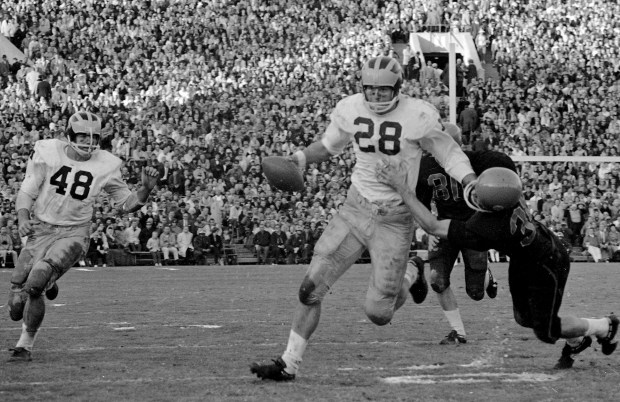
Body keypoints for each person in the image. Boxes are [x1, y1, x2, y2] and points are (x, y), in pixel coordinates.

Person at [250, 56, 476, 381]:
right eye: (369, 89)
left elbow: (448, 153)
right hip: (355, 209)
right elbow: (329, 146)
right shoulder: (351, 107)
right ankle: (289, 363)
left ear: (397, 88)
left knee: (379, 313)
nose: (376, 96)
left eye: (383, 90)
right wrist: (298, 158)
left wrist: (469, 181)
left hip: (395, 220)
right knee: (309, 289)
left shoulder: (419, 115)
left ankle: (413, 273)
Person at [375, 156, 618, 369]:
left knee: (546, 330)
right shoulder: (510, 194)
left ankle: (603, 326)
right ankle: (577, 338)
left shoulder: (487, 227)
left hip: (546, 265)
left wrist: (401, 188)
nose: (474, 194)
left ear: (493, 205)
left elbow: (432, 226)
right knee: (523, 318)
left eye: (479, 194)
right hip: (531, 254)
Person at [7, 111, 159, 362]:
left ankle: (25, 345)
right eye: (82, 136)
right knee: (15, 304)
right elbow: (26, 191)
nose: (88, 142)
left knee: (35, 286)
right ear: (69, 135)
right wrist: (23, 218)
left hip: (75, 232)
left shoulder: (107, 163)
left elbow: (125, 204)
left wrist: (144, 189)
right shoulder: (47, 151)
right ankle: (49, 279)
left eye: (93, 137)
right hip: (41, 229)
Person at [414, 123, 500, 345]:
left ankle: (487, 276)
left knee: (476, 292)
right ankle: (458, 332)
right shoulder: (425, 166)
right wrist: (428, 229)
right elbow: (421, 204)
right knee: (437, 280)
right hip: (444, 227)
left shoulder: (476, 163)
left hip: (473, 226)